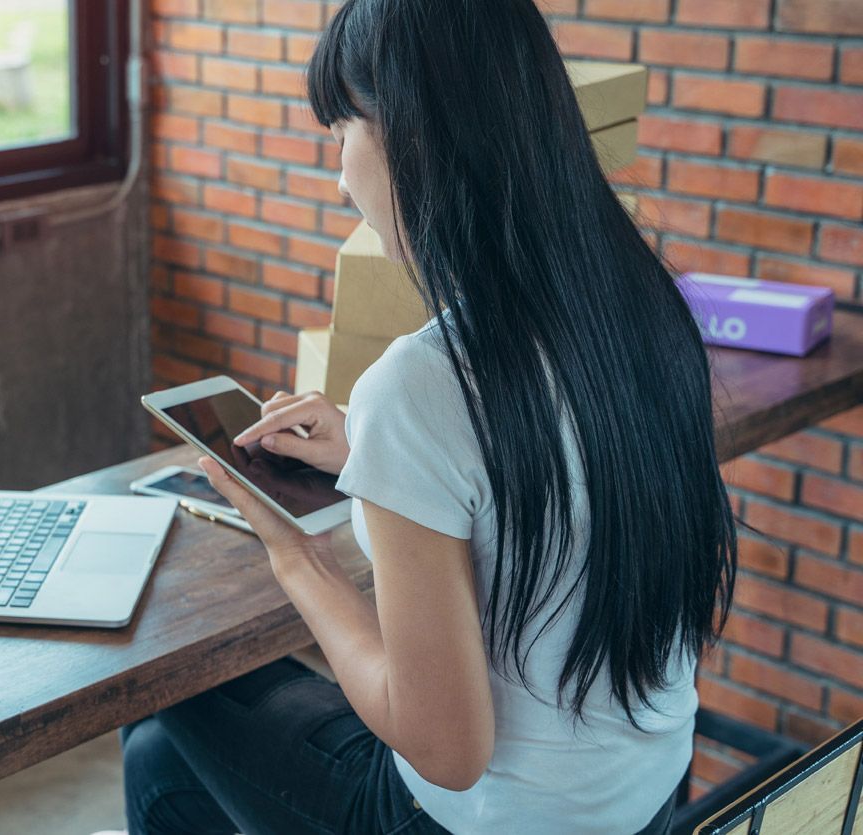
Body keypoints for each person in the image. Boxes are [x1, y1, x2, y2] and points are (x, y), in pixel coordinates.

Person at [117, 0, 739, 832]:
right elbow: (540, 477)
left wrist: (297, 557)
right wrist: (364, 448)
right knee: (157, 762)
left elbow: (446, 749)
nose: (340, 173)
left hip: (482, 818)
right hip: (647, 800)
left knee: (164, 687)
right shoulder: (643, 308)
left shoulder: (424, 383)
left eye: (343, 130)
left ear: (417, 137)